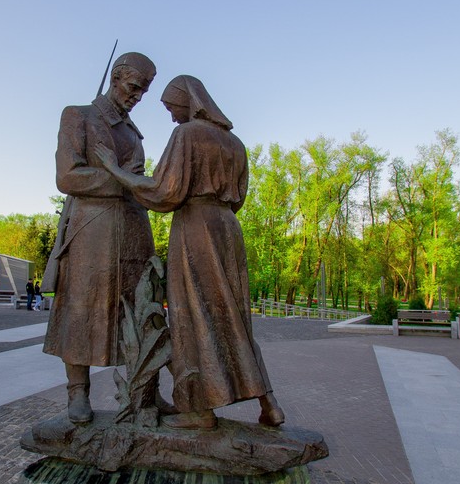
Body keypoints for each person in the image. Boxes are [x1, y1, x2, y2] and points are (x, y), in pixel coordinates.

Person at [96, 74, 285, 430]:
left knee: (191, 315)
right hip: (228, 229)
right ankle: (269, 403)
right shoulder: (235, 143)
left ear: (189, 101)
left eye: (172, 108)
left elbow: (163, 191)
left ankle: (199, 411)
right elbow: (240, 196)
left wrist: (114, 170)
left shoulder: (187, 134)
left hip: (195, 228)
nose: (171, 117)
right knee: (235, 319)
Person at [43, 52, 157, 424]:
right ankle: (78, 394)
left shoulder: (132, 131)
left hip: (134, 230)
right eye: (134, 87)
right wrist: (125, 181)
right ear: (116, 76)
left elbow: (140, 182)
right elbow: (69, 177)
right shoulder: (79, 115)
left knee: (138, 312)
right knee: (82, 311)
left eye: (144, 91)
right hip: (93, 230)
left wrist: (138, 186)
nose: (138, 96)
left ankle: (145, 397)